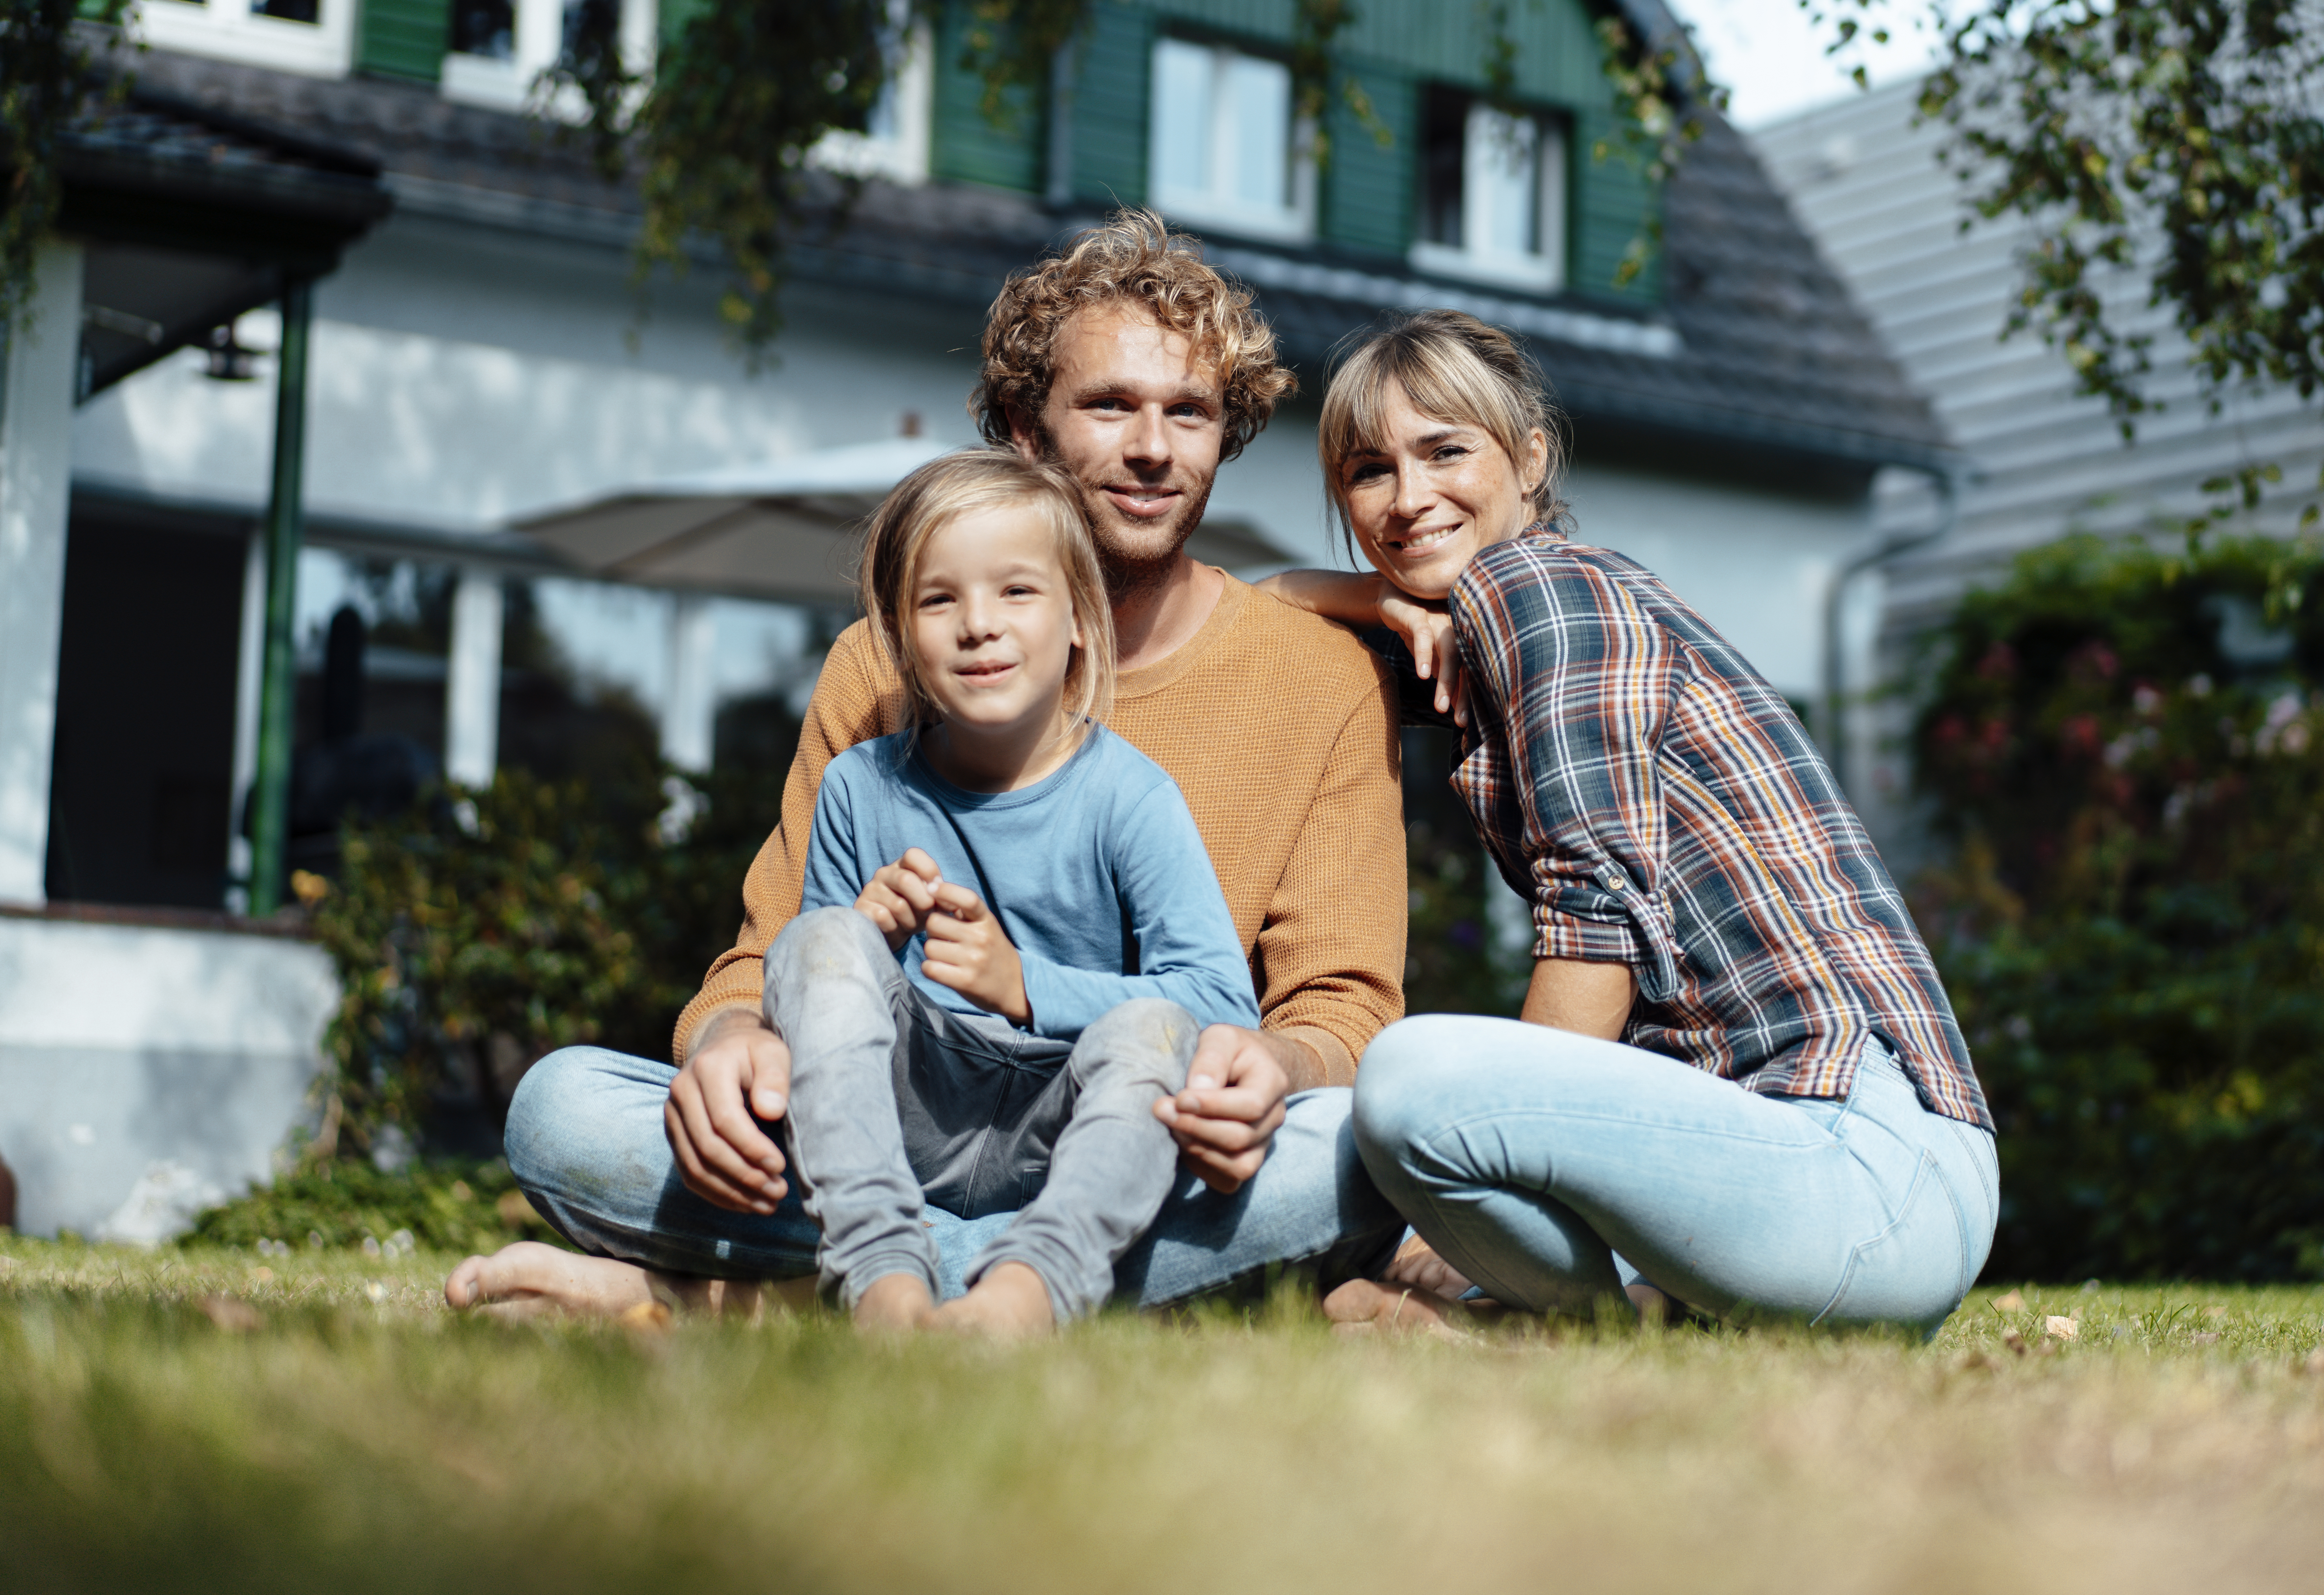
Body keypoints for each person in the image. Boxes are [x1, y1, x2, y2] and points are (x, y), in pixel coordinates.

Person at [447, 215, 1410, 1321]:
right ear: (1022, 429)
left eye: (1189, 413)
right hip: (890, 1134)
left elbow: (1345, 1012)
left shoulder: (1322, 678)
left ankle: (770, 1291)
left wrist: (1273, 1071)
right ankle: (1007, 1280)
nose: (1155, 449)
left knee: (1352, 1154)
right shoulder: (879, 664)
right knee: (563, 1108)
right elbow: (776, 952)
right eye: (1109, 406)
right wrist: (730, 1046)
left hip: (1139, 1135)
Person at [1268, 312, 2000, 1332]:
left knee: (1407, 1079)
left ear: (1530, 460)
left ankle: (1522, 1304)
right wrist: (1376, 600)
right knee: (1376, 1140)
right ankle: (1592, 1326)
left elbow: (1594, 915)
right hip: (1836, 1194)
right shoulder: (1507, 620)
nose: (1408, 498)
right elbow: (1257, 615)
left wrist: (1448, 1210)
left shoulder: (1538, 588)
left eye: (1445, 451)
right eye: (1367, 471)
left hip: (1862, 1165)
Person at [771, 450, 1261, 1336]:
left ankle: (1024, 1291)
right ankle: (882, 1278)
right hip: (899, 1130)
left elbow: (1221, 1005)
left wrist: (1022, 984)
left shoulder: (1131, 797)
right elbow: (818, 1027)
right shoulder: (859, 786)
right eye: (938, 600)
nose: (978, 627)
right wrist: (864, 937)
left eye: (1016, 593)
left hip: (1066, 1141)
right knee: (804, 950)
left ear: (1080, 619)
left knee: (1165, 1043)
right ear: (898, 638)